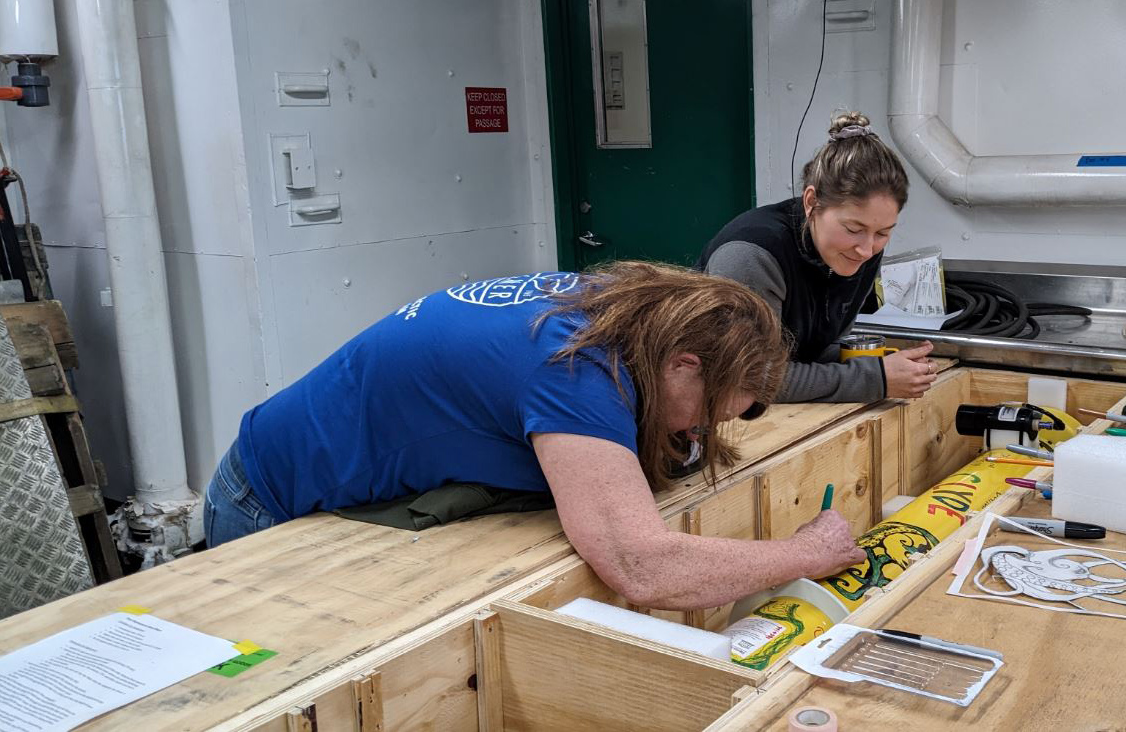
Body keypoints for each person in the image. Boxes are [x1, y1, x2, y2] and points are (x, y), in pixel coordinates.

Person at [203, 262, 863, 611]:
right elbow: (641, 566)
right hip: (267, 501)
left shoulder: (620, 307)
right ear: (682, 362)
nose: (698, 430)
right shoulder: (578, 370)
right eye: (705, 411)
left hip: (316, 482)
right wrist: (803, 553)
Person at [700, 111, 937, 403]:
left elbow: (815, 350)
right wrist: (876, 378)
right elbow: (751, 379)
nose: (866, 249)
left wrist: (881, 363)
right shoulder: (750, 256)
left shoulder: (861, 250)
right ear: (811, 202)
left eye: (883, 232)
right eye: (853, 228)